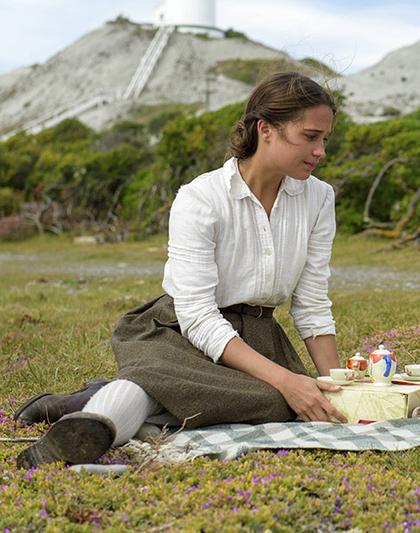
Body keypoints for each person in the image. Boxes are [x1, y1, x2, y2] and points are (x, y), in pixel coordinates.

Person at [15, 72, 348, 469]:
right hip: (179, 330)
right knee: (200, 384)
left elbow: (310, 303)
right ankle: (87, 427)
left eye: (324, 139)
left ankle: (99, 396)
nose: (320, 151)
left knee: (285, 400)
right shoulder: (200, 198)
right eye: (310, 136)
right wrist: (287, 379)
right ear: (266, 129)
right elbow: (197, 315)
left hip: (257, 338)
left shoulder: (319, 198)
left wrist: (341, 389)